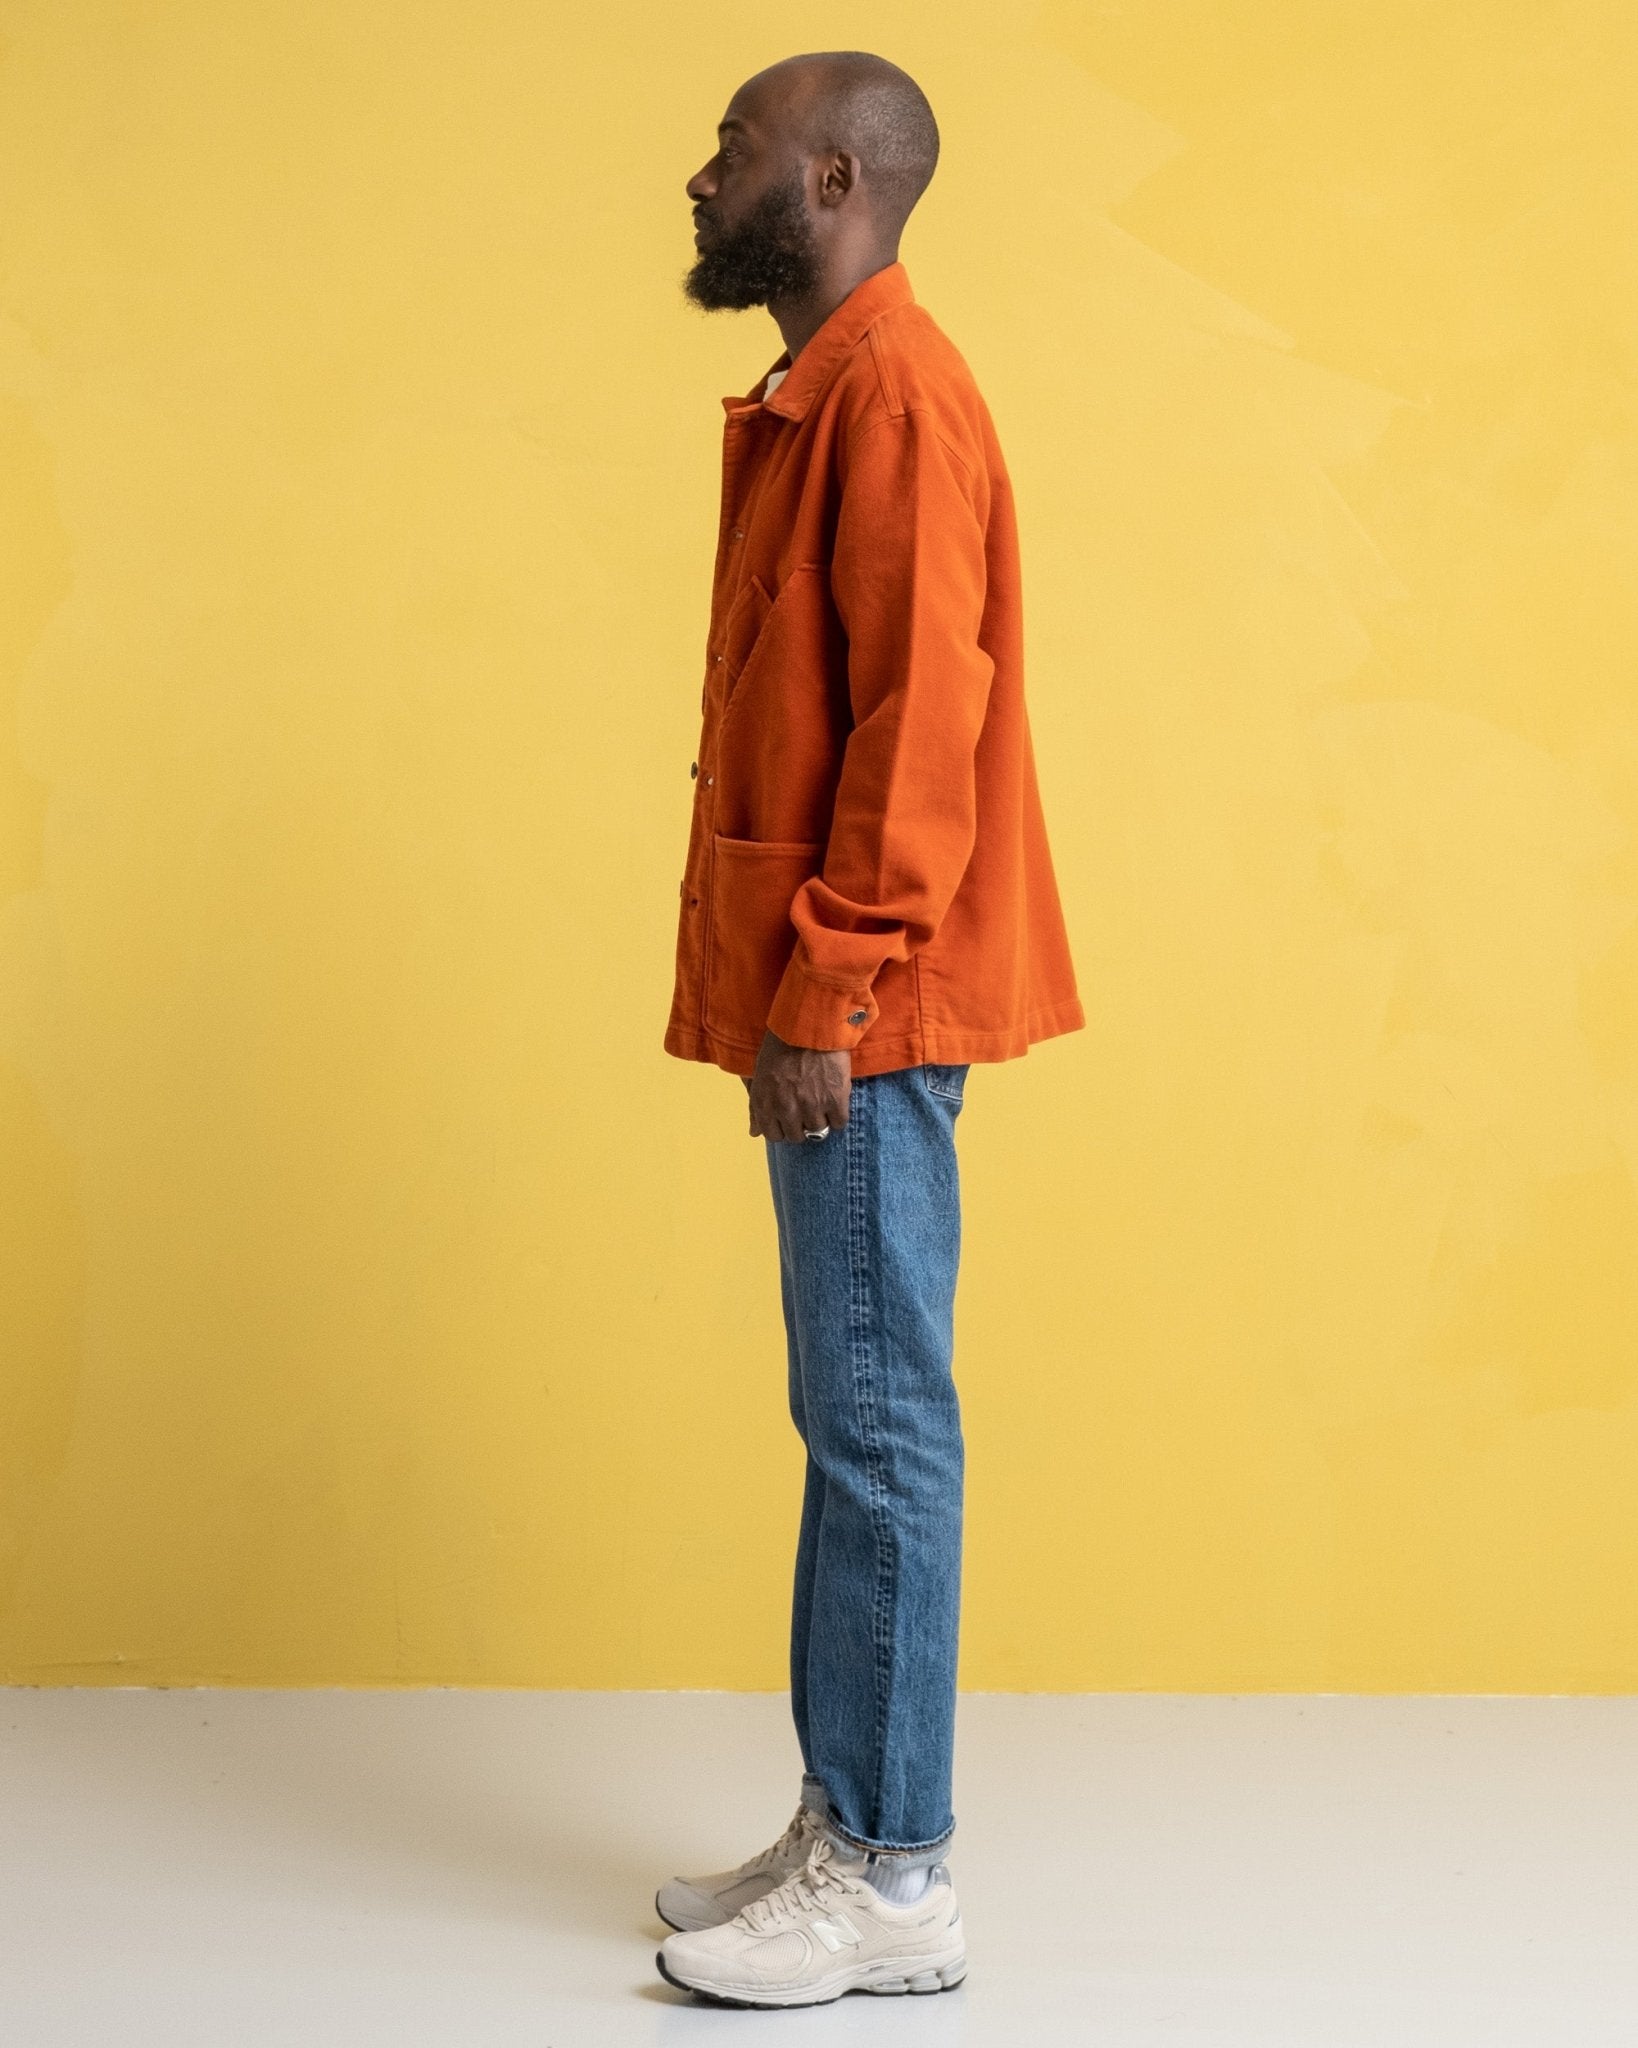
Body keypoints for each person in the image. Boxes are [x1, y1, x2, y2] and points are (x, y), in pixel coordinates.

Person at [655, 49, 1084, 2009]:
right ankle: (847, 1810)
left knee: (883, 1415)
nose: (700, 176)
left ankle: (897, 1874)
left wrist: (824, 980)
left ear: (830, 178)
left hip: (869, 1006)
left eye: (732, 147)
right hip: (844, 995)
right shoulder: (830, 392)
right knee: (851, 1410)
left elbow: (920, 728)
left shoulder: (891, 395)